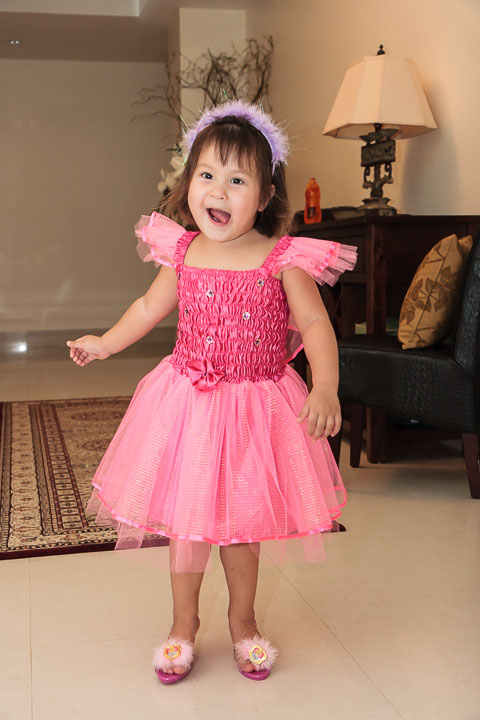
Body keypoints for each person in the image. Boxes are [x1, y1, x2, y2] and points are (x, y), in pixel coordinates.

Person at [66, 100, 357, 684]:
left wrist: (325, 385)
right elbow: (148, 307)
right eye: (206, 174)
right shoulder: (182, 251)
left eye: (237, 180)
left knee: (242, 528)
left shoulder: (282, 259)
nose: (218, 190)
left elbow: (316, 323)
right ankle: (183, 624)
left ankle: (243, 622)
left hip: (254, 410)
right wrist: (107, 343)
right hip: (190, 408)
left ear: (266, 195)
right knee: (188, 527)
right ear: (188, 183)